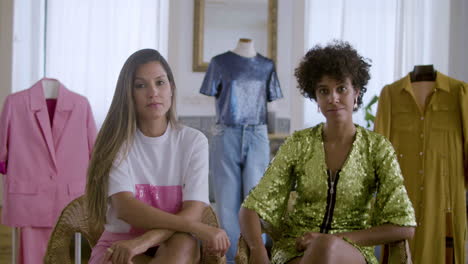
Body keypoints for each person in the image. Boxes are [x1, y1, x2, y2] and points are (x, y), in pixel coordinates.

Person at [238, 41, 416, 264]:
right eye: (324, 91)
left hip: (351, 252)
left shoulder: (378, 148)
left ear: (356, 94)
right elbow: (251, 208)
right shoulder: (298, 144)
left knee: (326, 247)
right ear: (316, 98)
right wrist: (257, 250)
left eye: (341, 88)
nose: (333, 98)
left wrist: (331, 239)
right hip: (295, 251)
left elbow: (404, 226)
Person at [85, 49, 230, 264]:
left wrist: (142, 242)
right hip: (119, 247)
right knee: (185, 238)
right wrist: (197, 228)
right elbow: (126, 209)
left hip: (172, 241)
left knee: (184, 243)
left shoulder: (193, 142)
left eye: (160, 82)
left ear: (171, 88)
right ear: (129, 94)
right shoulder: (116, 143)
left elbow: (193, 211)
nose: (153, 92)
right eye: (141, 85)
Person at [199, 38, 283, 263]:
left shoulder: (267, 65)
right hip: (226, 133)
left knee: (256, 202)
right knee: (227, 204)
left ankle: (256, 256)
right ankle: (231, 259)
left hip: (258, 134)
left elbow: (272, 104)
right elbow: (212, 99)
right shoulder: (219, 62)